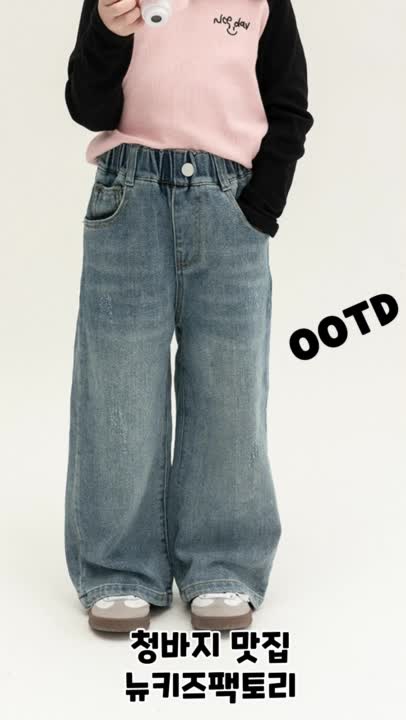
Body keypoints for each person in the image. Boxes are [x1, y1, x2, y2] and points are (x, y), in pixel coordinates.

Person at [64, 0, 314, 633]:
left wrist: (262, 207)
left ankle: (224, 560)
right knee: (118, 388)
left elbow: (289, 107)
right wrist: (108, 33)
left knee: (230, 387)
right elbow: (88, 107)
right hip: (128, 199)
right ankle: (118, 566)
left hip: (230, 205)